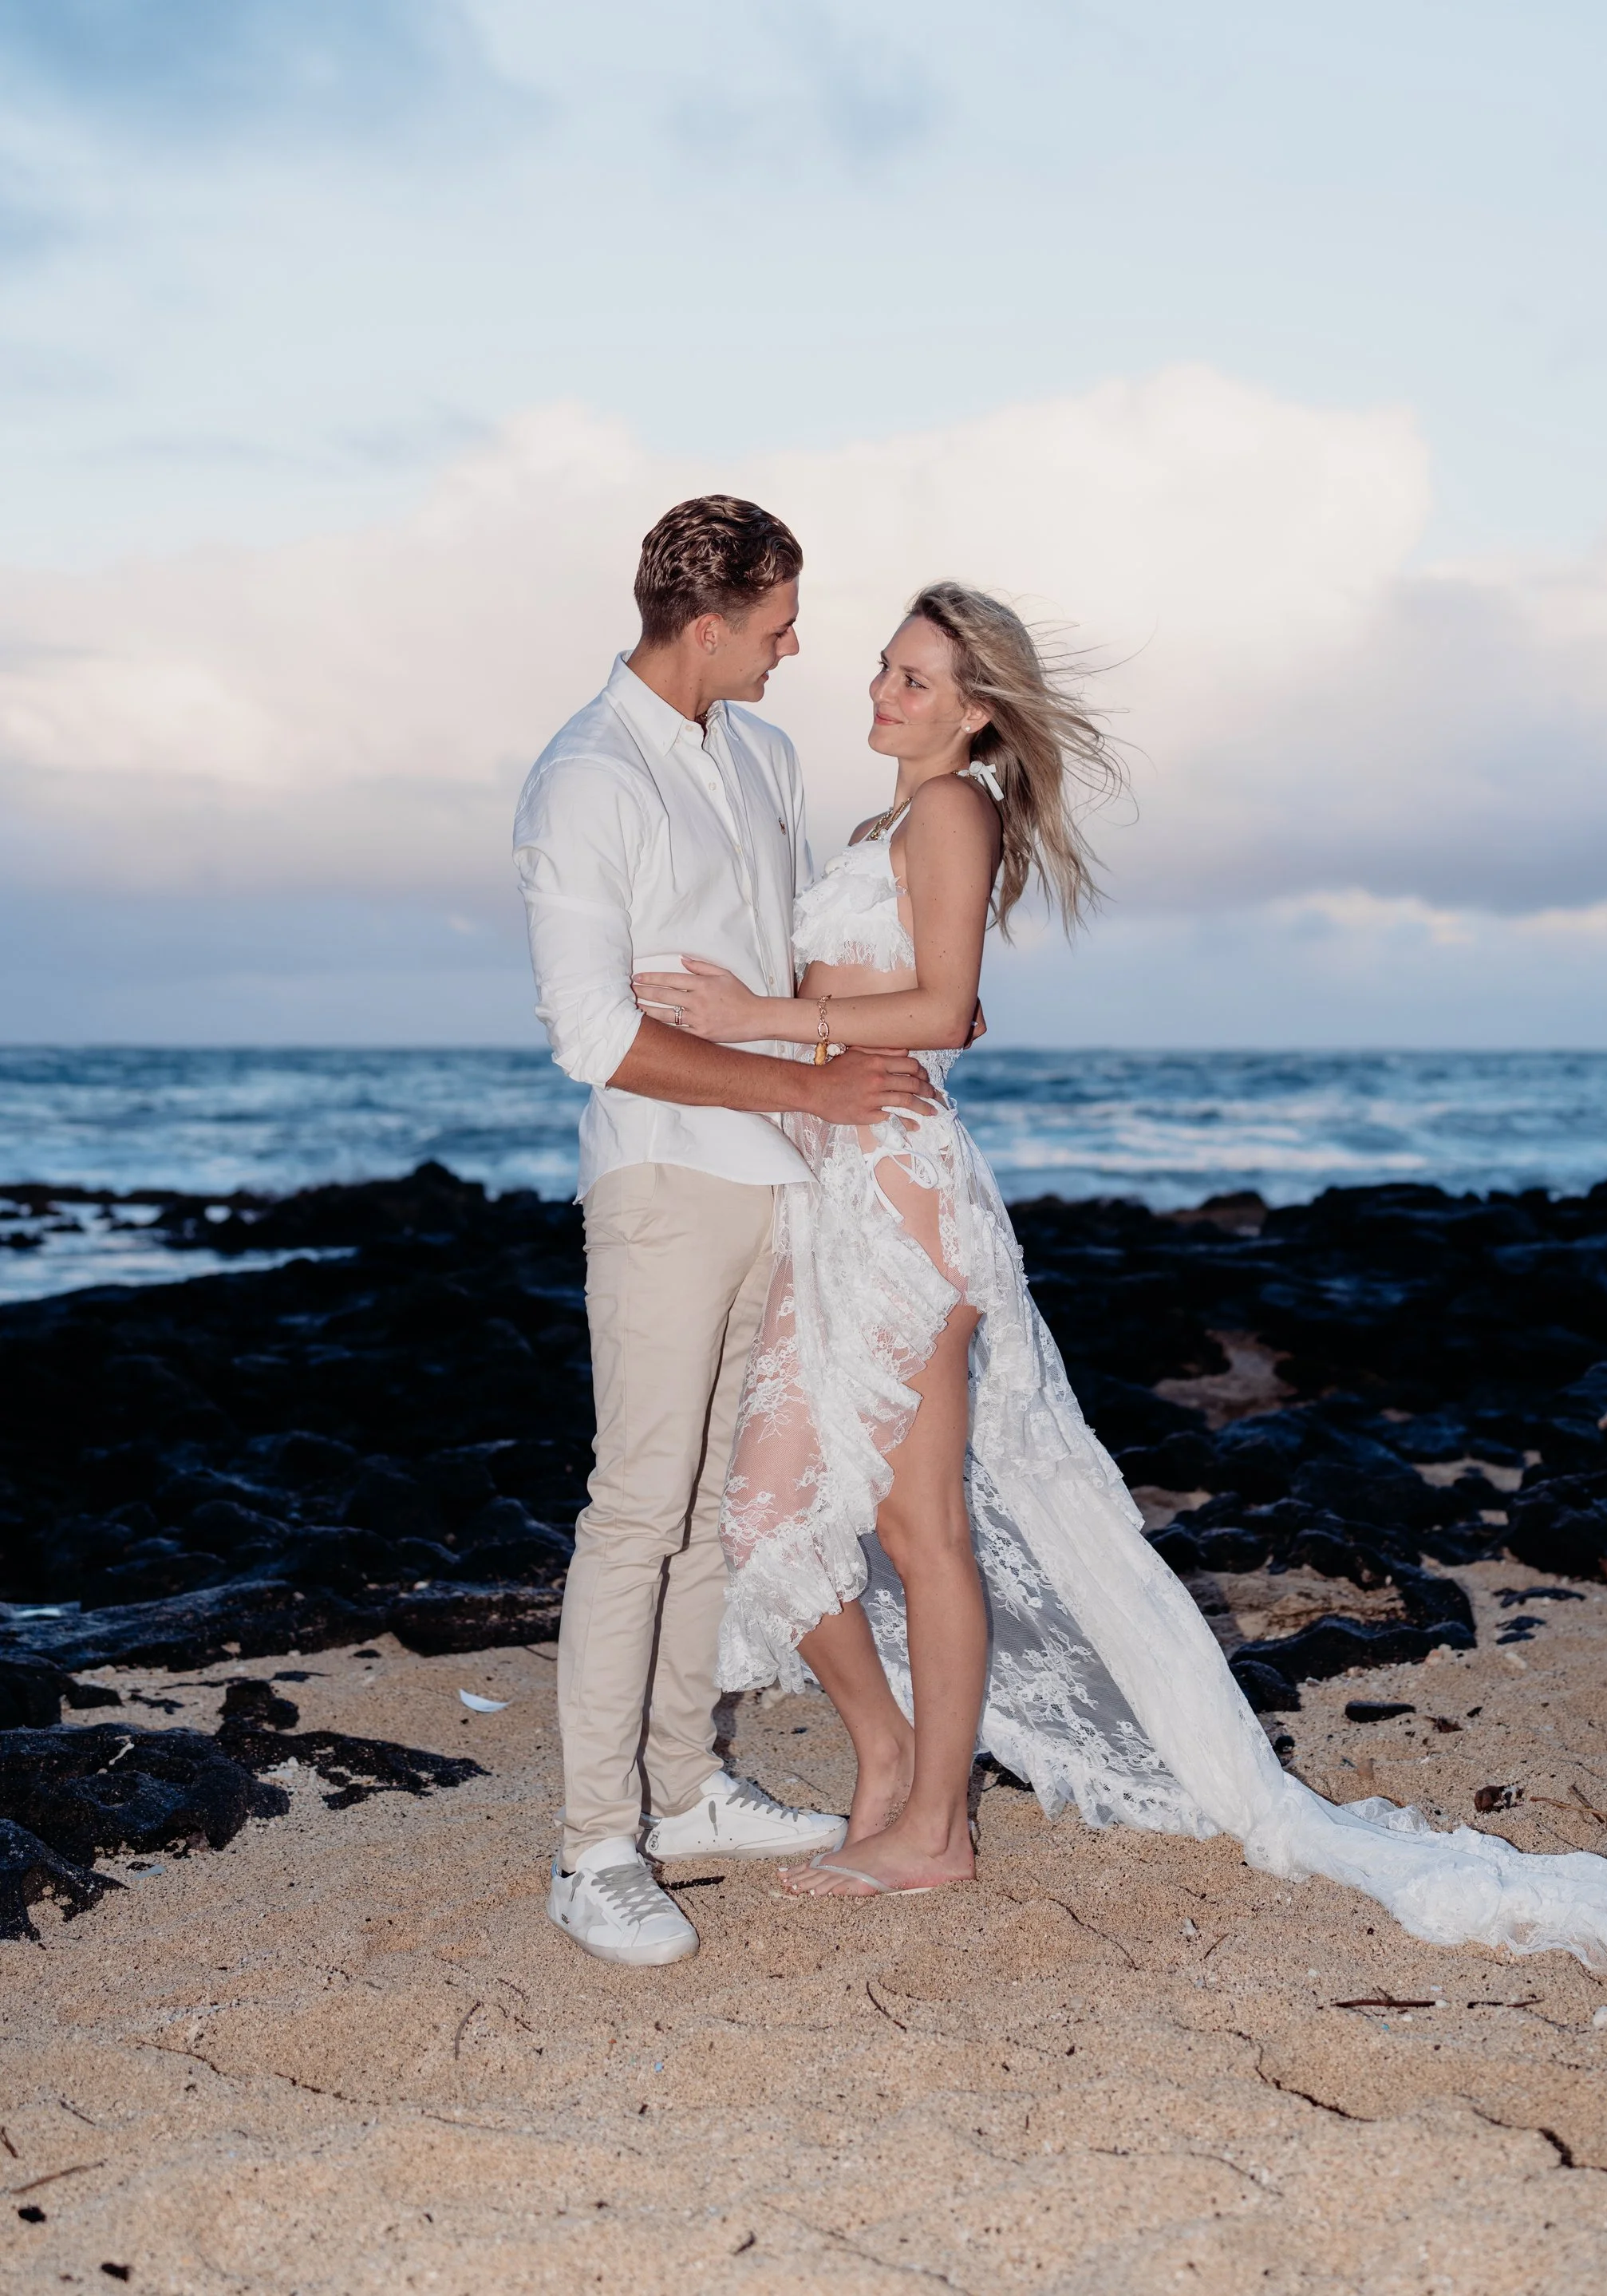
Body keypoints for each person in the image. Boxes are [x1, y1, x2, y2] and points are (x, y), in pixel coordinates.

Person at [636, 583, 1607, 1967]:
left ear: (976, 709)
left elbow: (946, 1008)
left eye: (914, 681)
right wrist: (750, 1038)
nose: (882, 695)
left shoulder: (955, 809)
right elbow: (876, 1007)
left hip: (903, 1202)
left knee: (918, 1529)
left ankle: (933, 1826)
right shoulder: (878, 825)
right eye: (886, 672)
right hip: (837, 1190)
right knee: (777, 1510)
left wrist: (755, 1015)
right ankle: (892, 1757)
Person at [513, 496, 948, 1969]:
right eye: (778, 624)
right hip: (661, 1182)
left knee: (707, 1511)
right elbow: (592, 1033)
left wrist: (879, 1033)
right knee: (636, 1508)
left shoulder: (762, 754)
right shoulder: (584, 781)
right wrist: (803, 1081)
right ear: (708, 628)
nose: (797, 645)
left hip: (785, 1183)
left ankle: (686, 1790)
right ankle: (592, 1850)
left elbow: (788, 967)